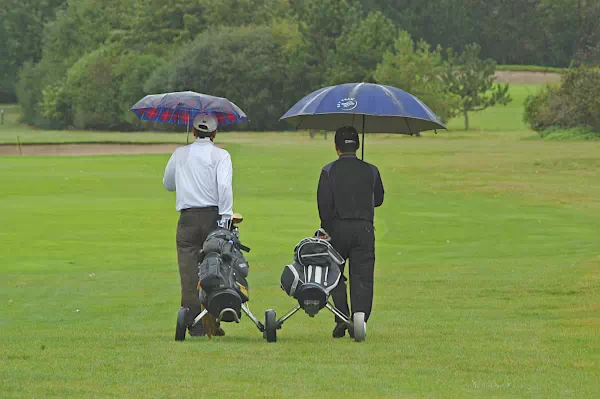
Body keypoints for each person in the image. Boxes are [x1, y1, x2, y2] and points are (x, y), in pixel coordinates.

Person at [163, 114, 233, 337]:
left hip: (187, 220)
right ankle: (212, 323)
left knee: (189, 272)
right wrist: (226, 217)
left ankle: (194, 324)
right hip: (213, 218)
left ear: (193, 132)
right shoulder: (221, 155)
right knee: (215, 270)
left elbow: (168, 184)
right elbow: (224, 186)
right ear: (214, 134)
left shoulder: (180, 154)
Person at [317, 126, 385, 338]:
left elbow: (324, 206)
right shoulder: (371, 170)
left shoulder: (328, 171)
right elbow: (380, 199)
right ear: (357, 146)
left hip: (336, 229)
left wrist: (328, 230)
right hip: (364, 229)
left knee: (334, 274)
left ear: (336, 147)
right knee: (362, 276)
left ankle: (341, 316)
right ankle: (360, 320)